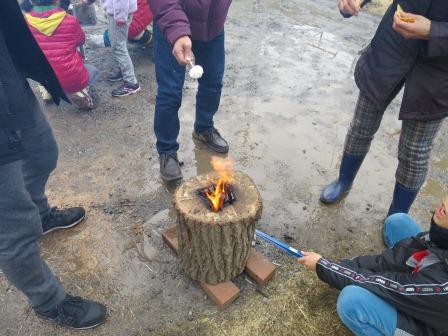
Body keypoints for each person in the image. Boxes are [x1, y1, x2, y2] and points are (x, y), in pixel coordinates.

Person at [0, 0, 106, 329]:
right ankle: (47, 301)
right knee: (13, 224)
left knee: (45, 152)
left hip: (9, 79)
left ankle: (42, 214)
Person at [320, 0, 448, 217]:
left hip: (440, 66)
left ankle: (397, 214)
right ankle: (344, 180)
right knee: (362, 124)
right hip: (392, 44)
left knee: (414, 151)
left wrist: (434, 31)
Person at [299, 197, 448, 336]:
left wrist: (324, 267)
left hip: (429, 326)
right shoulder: (440, 241)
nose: (445, 203)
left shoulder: (441, 285)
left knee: (352, 301)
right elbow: (384, 262)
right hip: (428, 286)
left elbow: (386, 285)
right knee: (398, 222)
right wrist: (340, 266)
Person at [149, 0, 232, 182]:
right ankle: (167, 151)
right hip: (172, 22)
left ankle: (204, 128)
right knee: (170, 93)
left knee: (213, 82)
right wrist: (176, 30)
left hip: (213, 25)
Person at [25, 0, 100, 111]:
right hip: (72, 78)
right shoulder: (69, 20)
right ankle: (80, 91)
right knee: (94, 71)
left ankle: (48, 90)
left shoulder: (26, 22)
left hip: (47, 78)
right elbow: (81, 41)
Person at [84, 0, 141, 97]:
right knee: (119, 44)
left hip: (119, 14)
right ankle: (124, 72)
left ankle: (131, 82)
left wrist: (120, 16)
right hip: (117, 12)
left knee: (119, 47)